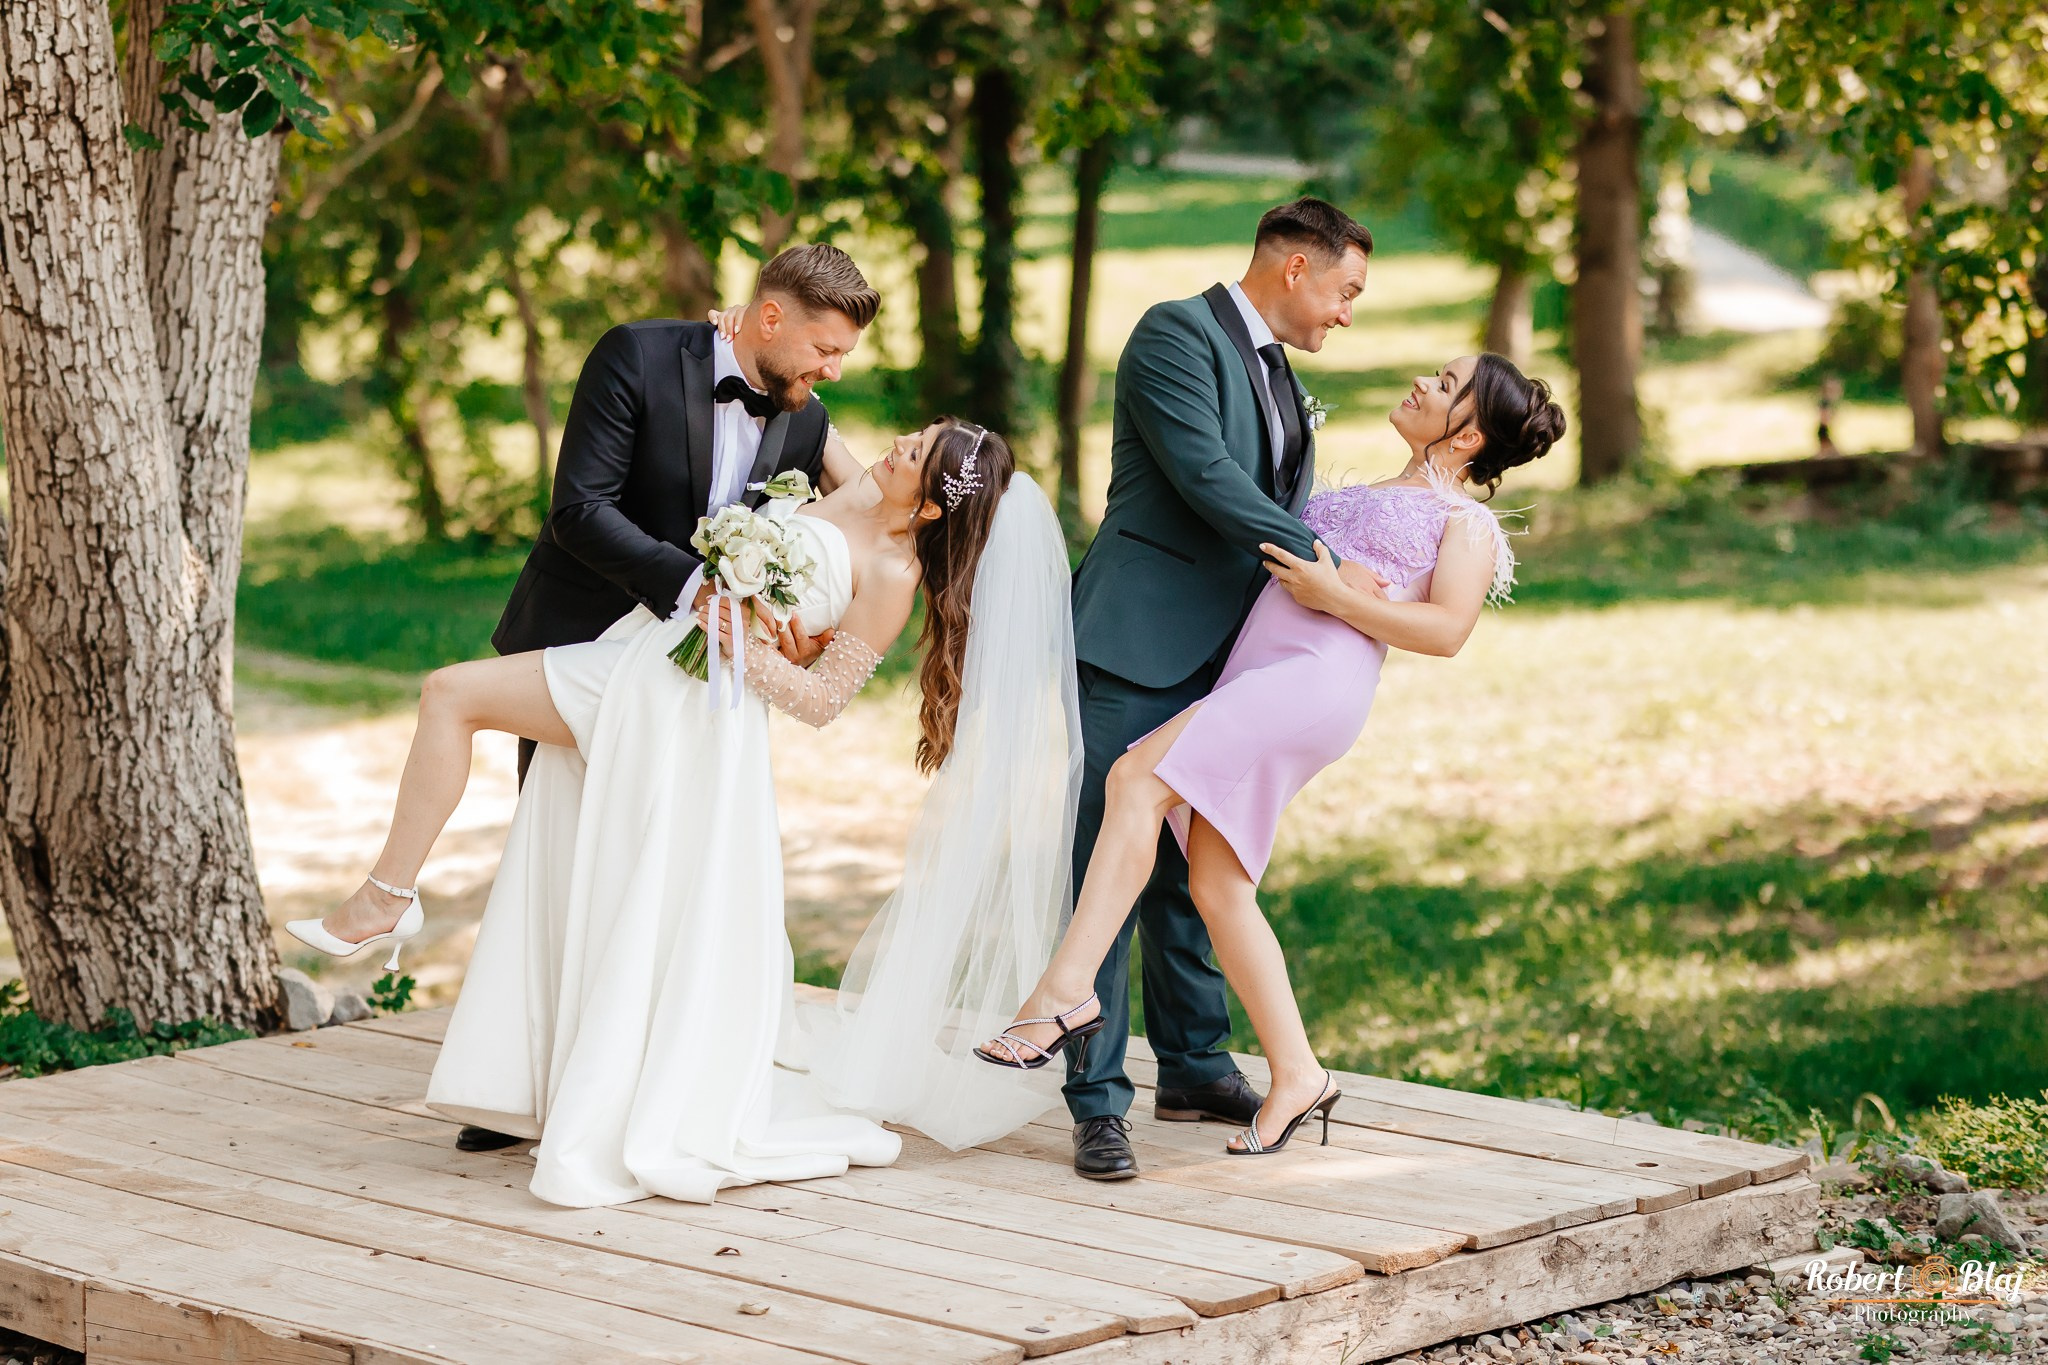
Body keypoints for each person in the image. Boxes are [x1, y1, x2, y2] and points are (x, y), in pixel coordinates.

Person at [977, 352, 1567, 1160]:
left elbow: (1448, 630)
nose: (1423, 382)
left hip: (1312, 681)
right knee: (1219, 882)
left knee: (1133, 779)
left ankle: (1063, 991)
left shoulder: (1463, 522)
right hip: (1262, 670)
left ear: (1466, 436)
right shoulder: (1368, 491)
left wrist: (1340, 597)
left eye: (1444, 383)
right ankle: (1298, 1072)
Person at [1053, 196, 1372, 1181]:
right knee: (1104, 872)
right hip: (1136, 640)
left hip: (1229, 657)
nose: (1346, 313)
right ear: (1291, 268)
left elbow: (1274, 492)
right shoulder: (1173, 334)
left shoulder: (1277, 373)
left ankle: (1191, 1067)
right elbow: (1204, 476)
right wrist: (1328, 561)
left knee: (1195, 876)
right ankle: (1095, 1101)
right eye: (1344, 290)